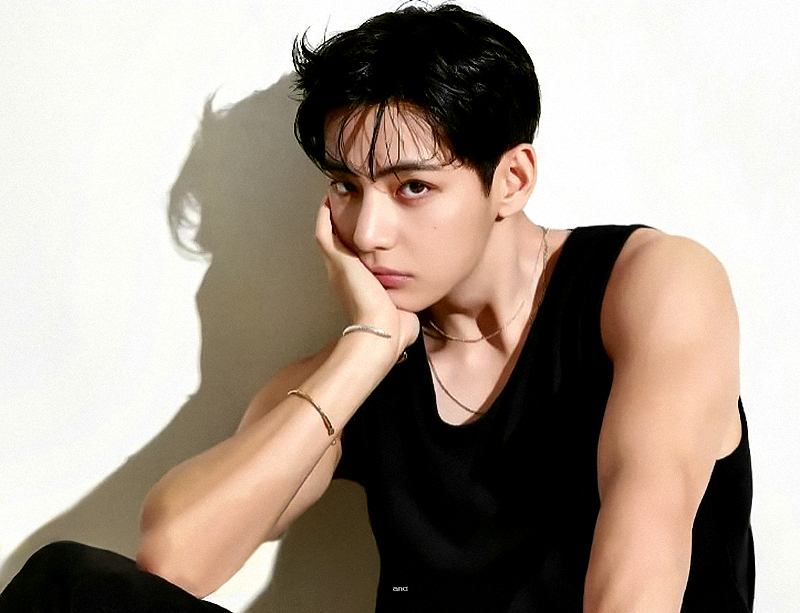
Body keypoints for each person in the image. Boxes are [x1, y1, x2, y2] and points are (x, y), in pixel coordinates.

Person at [0, 3, 754, 612]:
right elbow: (174, 558)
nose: (366, 232)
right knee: (70, 587)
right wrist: (366, 346)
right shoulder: (365, 366)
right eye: (346, 187)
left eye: (412, 187)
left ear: (512, 179)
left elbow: (639, 580)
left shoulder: (649, 285)